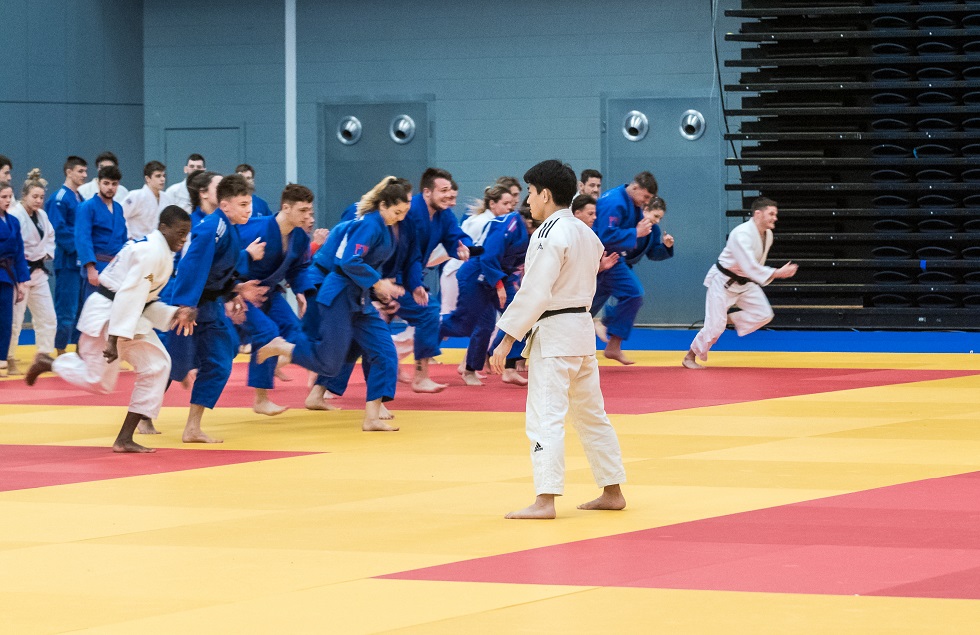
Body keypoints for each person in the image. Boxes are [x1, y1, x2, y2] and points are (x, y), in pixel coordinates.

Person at [489, 159, 626, 520]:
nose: (528, 201)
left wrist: (506, 340)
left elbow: (534, 292)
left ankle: (545, 500)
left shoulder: (549, 232)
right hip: (581, 331)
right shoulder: (585, 232)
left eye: (531, 193)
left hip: (555, 334)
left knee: (544, 417)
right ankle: (612, 490)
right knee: (592, 415)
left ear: (546, 195)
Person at [25, 207, 194, 453]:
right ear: (164, 228)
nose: (183, 238)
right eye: (180, 232)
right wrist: (114, 340)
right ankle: (48, 363)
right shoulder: (151, 252)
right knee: (99, 382)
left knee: (157, 365)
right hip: (108, 314)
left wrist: (173, 313)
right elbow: (129, 296)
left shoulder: (159, 250)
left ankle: (124, 438)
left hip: (125, 315)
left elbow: (142, 300)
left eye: (186, 234)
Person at [257, 177, 411, 432]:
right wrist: (377, 283)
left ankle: (371, 417)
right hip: (338, 295)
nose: (400, 217)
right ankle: (283, 347)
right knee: (329, 362)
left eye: (404, 213)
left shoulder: (384, 226)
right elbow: (349, 261)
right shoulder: (369, 225)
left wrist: (380, 288)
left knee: (385, 352)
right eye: (397, 212)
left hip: (360, 299)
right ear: (383, 205)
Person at [165, 174, 267, 443]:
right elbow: (191, 265)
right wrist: (186, 305)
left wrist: (235, 290)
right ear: (225, 205)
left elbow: (223, 266)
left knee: (220, 361)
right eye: (243, 204)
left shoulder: (228, 227)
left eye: (250, 204)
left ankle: (192, 426)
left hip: (209, 305)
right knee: (171, 365)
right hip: (190, 306)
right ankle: (143, 416)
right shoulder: (212, 227)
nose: (249, 210)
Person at [683, 197, 797, 369]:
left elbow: (753, 268)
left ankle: (725, 320)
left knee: (764, 314)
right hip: (723, 282)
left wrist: (772, 273)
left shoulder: (768, 235)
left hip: (745, 282)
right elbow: (750, 266)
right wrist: (777, 273)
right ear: (758, 214)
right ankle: (689, 357)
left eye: (776, 214)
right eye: (771, 214)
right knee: (714, 329)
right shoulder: (741, 234)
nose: (775, 218)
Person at [236, 184, 315, 415]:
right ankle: (261, 395)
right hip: (240, 293)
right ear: (286, 207)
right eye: (302, 211)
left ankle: (263, 395)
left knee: (294, 331)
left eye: (310, 211)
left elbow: (299, 268)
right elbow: (225, 259)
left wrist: (302, 292)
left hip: (269, 292)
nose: (307, 216)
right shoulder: (254, 229)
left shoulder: (299, 236)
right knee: (267, 332)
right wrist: (234, 288)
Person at [398, 168, 473, 391]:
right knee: (354, 331)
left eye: (450, 190)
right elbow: (406, 254)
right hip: (387, 277)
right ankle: (320, 380)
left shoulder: (444, 215)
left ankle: (419, 376)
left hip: (409, 276)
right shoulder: (411, 211)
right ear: (427, 192)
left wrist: (462, 245)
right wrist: (413, 284)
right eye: (443, 191)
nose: (448, 195)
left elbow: (455, 236)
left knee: (428, 311)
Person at [440, 204, 529, 386]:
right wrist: (499, 285)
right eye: (507, 200)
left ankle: (510, 367)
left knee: (522, 315)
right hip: (477, 276)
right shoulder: (508, 225)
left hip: (501, 277)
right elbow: (488, 258)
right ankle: (467, 366)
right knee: (478, 324)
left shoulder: (532, 232)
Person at [591, 171, 659, 365]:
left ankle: (611, 341)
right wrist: (635, 232)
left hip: (612, 258)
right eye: (645, 197)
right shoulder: (614, 201)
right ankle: (610, 339)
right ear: (635, 187)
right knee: (633, 294)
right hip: (603, 257)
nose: (646, 202)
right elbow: (605, 235)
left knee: (586, 308)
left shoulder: (631, 202)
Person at [592, 195, 674, 343]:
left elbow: (653, 253)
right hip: (606, 261)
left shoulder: (653, 231)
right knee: (591, 303)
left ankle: (604, 322)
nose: (657, 221)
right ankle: (596, 323)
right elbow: (612, 236)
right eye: (655, 216)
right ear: (645, 209)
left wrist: (666, 247)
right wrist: (635, 232)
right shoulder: (630, 220)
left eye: (660, 218)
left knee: (632, 296)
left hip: (620, 266)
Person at [8, 170, 56, 375]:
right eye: (34, 197)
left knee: (47, 316)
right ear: (24, 196)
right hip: (20, 273)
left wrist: (46, 254)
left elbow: (51, 237)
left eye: (41, 197)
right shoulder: (15, 215)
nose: (38, 201)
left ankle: (43, 355)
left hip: (38, 272)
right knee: (15, 319)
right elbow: (13, 245)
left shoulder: (43, 216)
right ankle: (9, 357)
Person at [441, 184, 516, 316]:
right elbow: (452, 248)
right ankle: (420, 334)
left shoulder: (498, 222)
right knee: (449, 315)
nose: (509, 207)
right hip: (456, 273)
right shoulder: (480, 222)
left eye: (511, 203)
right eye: (505, 203)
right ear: (492, 204)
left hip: (474, 275)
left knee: (487, 320)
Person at [46, 155, 88, 354]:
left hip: (81, 264)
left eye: (85, 171)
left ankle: (81, 348)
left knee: (83, 309)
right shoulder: (59, 198)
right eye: (80, 171)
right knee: (66, 309)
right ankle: (60, 349)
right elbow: (59, 230)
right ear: (68, 172)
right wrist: (81, 246)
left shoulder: (81, 198)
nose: (84, 175)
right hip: (68, 262)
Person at [75, 165, 128, 298]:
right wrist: (90, 268)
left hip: (116, 267)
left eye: (114, 184)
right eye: (106, 183)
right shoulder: (87, 207)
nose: (110, 187)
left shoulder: (119, 208)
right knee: (94, 311)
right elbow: (82, 238)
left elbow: (123, 238)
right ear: (98, 183)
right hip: (97, 265)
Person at [0, 182, 30, 376]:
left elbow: (19, 253)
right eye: (4, 197)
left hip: (8, 275)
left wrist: (22, 281)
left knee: (6, 319)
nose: (8, 200)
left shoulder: (13, 222)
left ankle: (2, 358)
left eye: (10, 196)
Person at [121, 160, 174, 240]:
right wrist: (129, 236)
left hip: (157, 244)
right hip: (137, 243)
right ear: (147, 178)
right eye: (158, 176)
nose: (162, 179)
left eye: (164, 176)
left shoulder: (167, 199)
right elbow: (120, 215)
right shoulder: (135, 196)